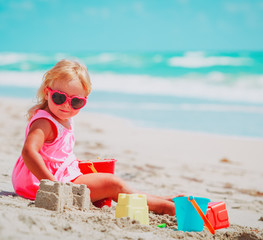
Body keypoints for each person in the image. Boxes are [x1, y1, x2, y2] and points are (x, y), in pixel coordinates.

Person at [12, 59, 178, 216]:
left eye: (76, 102)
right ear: (48, 93)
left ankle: (157, 199)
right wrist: (53, 186)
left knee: (112, 182)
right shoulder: (44, 122)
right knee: (113, 184)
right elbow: (28, 152)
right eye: (59, 97)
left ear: (84, 100)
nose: (66, 105)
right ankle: (163, 208)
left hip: (59, 174)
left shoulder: (63, 117)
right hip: (41, 182)